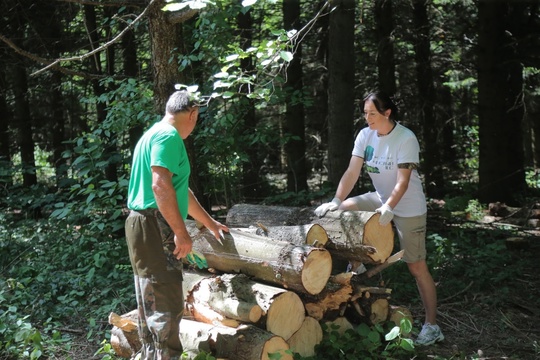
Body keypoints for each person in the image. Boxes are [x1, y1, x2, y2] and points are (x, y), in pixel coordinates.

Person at [314, 91, 444, 346]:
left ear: (387, 113)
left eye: (372, 113)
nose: (367, 118)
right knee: (343, 212)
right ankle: (358, 264)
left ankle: (432, 326)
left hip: (408, 206)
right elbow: (352, 171)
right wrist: (336, 200)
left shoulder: (405, 138)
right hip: (380, 196)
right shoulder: (365, 135)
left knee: (416, 267)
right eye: (365, 113)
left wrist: (389, 208)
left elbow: (403, 182)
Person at [125, 90, 229, 359]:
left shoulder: (153, 133)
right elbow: (160, 186)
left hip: (140, 224)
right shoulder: (169, 137)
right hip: (154, 224)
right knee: (165, 308)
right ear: (193, 114)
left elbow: (179, 191)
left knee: (150, 302)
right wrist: (181, 233)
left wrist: (209, 222)